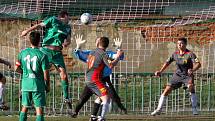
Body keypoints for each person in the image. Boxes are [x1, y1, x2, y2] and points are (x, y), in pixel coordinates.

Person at [20, 10, 72, 109]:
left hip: (57, 54)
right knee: (36, 72)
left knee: (64, 76)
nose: (69, 20)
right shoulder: (53, 20)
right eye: (68, 18)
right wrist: (27, 31)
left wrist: (66, 43)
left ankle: (66, 99)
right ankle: (25, 92)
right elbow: (39, 25)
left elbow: (68, 39)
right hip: (46, 51)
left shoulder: (68, 27)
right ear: (64, 16)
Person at [71, 35, 127, 120]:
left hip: (102, 79)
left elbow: (120, 56)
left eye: (97, 40)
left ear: (98, 43)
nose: (96, 41)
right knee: (84, 98)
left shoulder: (105, 53)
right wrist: (78, 46)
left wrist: (119, 48)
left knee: (109, 96)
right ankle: (79, 113)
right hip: (96, 79)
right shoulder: (93, 52)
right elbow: (78, 54)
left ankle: (95, 116)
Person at [151, 37, 201, 116]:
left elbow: (198, 64)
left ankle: (194, 109)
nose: (179, 45)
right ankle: (158, 109)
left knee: (191, 86)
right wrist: (160, 71)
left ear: (185, 44)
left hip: (187, 75)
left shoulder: (190, 54)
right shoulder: (175, 54)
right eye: (178, 44)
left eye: (181, 43)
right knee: (167, 89)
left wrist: (192, 70)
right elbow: (167, 63)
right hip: (177, 75)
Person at [15, 31, 50, 121]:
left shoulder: (22, 53)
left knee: (25, 107)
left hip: (26, 85)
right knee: (39, 109)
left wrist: (26, 73)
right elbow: (46, 74)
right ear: (40, 40)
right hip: (37, 85)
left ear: (29, 40)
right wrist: (47, 86)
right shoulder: (42, 55)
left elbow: (16, 69)